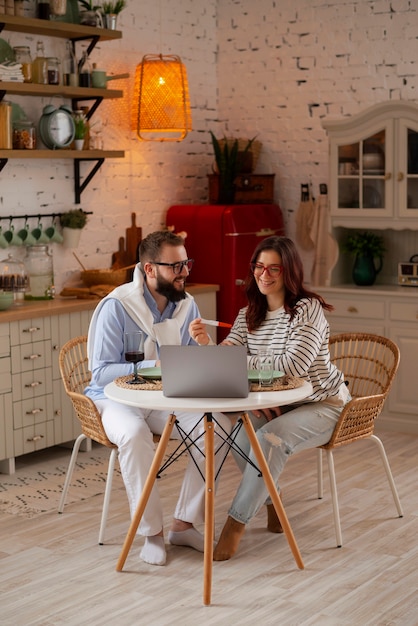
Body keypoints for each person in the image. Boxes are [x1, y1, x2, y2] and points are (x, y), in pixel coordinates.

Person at [189, 235, 350, 561]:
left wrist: (245, 366)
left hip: (325, 404)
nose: (264, 274)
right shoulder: (249, 314)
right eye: (259, 267)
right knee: (237, 435)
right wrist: (207, 345)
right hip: (280, 403)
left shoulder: (307, 310)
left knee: (270, 438)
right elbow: (226, 365)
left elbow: (294, 366)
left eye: (274, 268)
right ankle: (271, 503)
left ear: (289, 271)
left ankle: (234, 526)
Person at [85, 230, 232, 566]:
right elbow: (101, 373)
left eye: (186, 263)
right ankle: (150, 532)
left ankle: (183, 524)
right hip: (116, 398)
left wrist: (205, 346)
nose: (185, 272)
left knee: (218, 429)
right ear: (149, 269)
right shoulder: (117, 307)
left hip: (165, 395)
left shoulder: (187, 304)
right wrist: (156, 364)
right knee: (135, 436)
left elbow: (192, 363)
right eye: (175, 266)